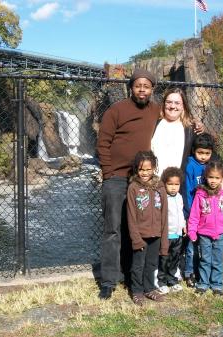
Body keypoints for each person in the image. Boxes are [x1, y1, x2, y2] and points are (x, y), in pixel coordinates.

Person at [96, 69, 160, 300]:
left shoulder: (156, 110)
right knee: (113, 229)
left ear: (152, 89)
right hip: (116, 179)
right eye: (138, 85)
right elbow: (103, 143)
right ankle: (108, 281)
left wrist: (198, 126)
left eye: (146, 86)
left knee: (135, 229)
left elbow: (177, 117)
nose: (142, 89)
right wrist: (108, 173)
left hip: (140, 180)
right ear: (131, 88)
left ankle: (130, 274)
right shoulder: (117, 110)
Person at [187, 160, 223, 295]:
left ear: (222, 179)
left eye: (217, 178)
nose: (213, 181)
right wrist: (192, 230)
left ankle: (216, 284)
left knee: (217, 260)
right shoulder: (200, 194)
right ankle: (203, 283)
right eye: (211, 177)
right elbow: (194, 215)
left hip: (221, 233)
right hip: (204, 233)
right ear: (205, 177)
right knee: (205, 259)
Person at [126, 151, 168, 306]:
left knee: (151, 264)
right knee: (138, 265)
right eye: (141, 169)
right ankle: (137, 291)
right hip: (140, 236)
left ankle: (149, 288)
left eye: (148, 169)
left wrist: (164, 241)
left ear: (154, 168)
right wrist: (136, 239)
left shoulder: (160, 187)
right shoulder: (133, 188)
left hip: (156, 235)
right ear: (137, 169)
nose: (145, 172)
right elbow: (131, 215)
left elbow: (164, 215)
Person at [183, 133, 215, 287]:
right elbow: (188, 190)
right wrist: (189, 214)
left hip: (207, 213)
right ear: (194, 151)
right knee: (191, 245)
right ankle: (189, 272)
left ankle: (206, 272)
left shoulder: (210, 167)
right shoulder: (190, 166)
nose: (203, 156)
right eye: (200, 153)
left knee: (206, 246)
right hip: (193, 213)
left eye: (207, 153)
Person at [151, 87, 204, 176]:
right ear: (164, 104)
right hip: (153, 181)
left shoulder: (191, 129)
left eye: (177, 103)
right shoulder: (153, 124)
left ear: (183, 106)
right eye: (169, 102)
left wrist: (220, 175)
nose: (172, 106)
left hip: (177, 184)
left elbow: (206, 149)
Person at [157, 166, 186, 294]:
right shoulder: (162, 198)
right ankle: (161, 281)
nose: (173, 187)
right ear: (164, 184)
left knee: (175, 258)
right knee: (164, 258)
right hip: (166, 235)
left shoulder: (179, 197)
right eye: (170, 184)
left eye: (177, 184)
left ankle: (172, 280)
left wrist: (184, 225)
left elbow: (181, 213)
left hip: (178, 234)